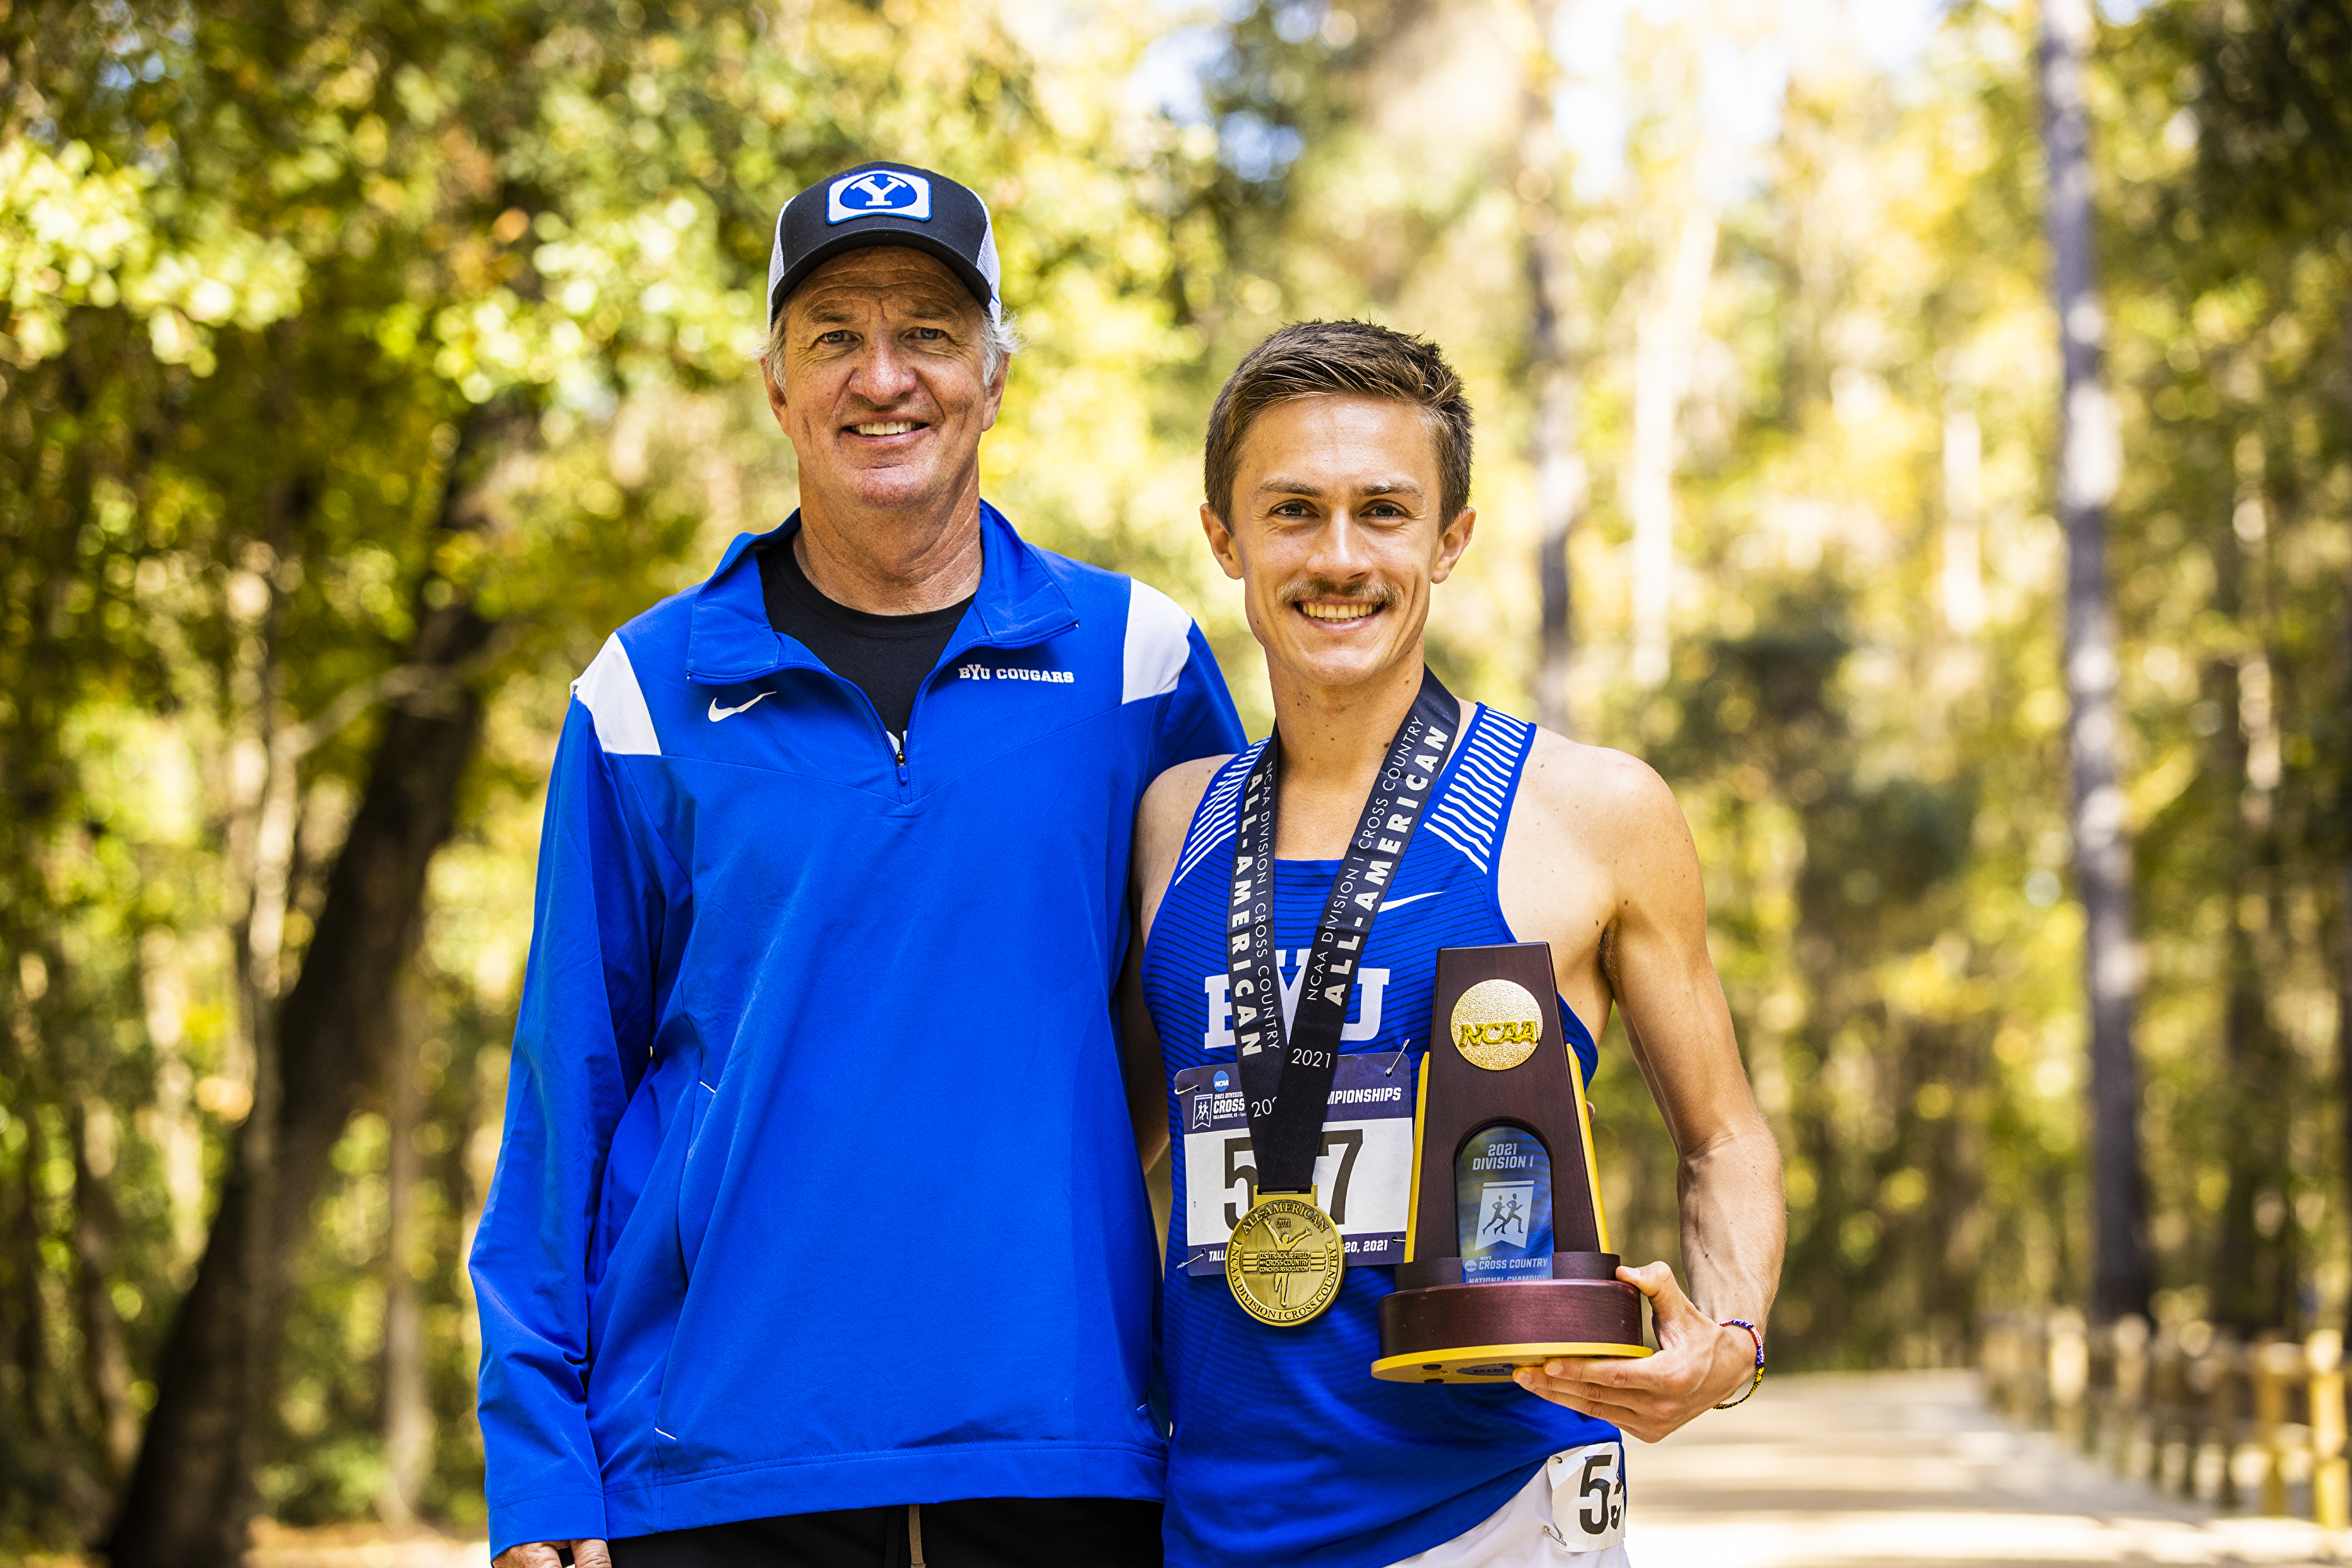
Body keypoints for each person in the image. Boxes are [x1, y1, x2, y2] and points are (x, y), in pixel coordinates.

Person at [474, 161, 1244, 1568]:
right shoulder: (644, 693)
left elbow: (1227, 1041)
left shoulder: (1140, 666)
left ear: (995, 375)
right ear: (777, 382)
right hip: (720, 1477)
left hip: (1064, 1457)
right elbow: (565, 1086)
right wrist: (536, 1469)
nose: (882, 377)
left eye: (929, 334)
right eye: (835, 335)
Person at [1125, 321, 1784, 1566]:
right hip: (1208, 1518)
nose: (1339, 556)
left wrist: (1729, 1342)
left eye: (1384, 511)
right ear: (1224, 539)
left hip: (1497, 1513)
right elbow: (1113, 1145)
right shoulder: (1174, 821)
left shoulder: (1593, 813)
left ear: (1451, 538)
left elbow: (1726, 1136)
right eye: (1292, 511)